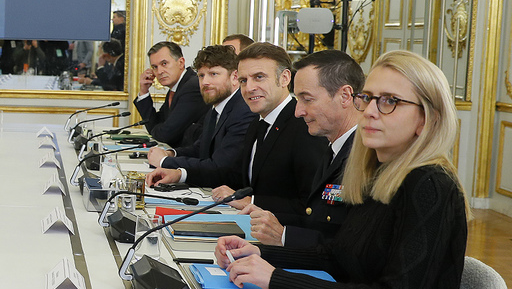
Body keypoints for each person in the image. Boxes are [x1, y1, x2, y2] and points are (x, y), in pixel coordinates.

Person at [215, 50, 469, 289]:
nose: (370, 111)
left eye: (389, 101)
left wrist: (276, 279)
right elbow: (338, 256)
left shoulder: (429, 185)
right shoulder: (380, 170)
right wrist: (261, 253)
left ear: (426, 119)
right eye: (369, 98)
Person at [244, 49, 364, 247]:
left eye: (307, 99)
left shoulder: (365, 157)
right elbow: (314, 220)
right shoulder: (334, 149)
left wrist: (284, 236)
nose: (298, 111)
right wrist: (264, 231)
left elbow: (350, 247)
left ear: (345, 96)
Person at [209, 42, 329, 222]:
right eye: (243, 80)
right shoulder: (257, 123)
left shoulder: (304, 126)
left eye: (259, 77)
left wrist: (252, 201)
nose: (249, 88)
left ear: (285, 78)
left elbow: (310, 205)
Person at [145, 45, 253, 187]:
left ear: (234, 77)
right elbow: (201, 149)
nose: (205, 82)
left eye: (213, 74)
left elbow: (220, 167)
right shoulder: (216, 108)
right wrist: (171, 154)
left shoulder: (243, 111)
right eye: (201, 75)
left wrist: (165, 162)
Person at [133, 41, 205, 146]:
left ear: (181, 63)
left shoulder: (192, 87)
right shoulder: (176, 88)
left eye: (164, 64)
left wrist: (156, 130)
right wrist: (144, 92)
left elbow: (166, 134)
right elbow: (157, 123)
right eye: (155, 67)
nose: (159, 71)